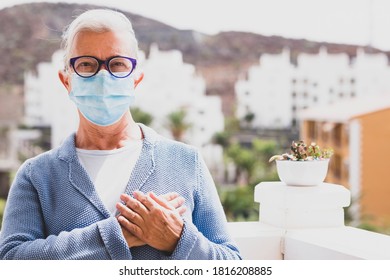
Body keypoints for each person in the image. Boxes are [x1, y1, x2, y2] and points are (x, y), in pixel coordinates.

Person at [0, 9, 241, 260]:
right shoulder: (36, 176)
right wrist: (115, 235)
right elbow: (11, 261)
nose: (103, 76)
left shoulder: (186, 162)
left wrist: (178, 239)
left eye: (117, 64)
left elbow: (232, 264)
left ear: (136, 79)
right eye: (86, 64)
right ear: (66, 80)